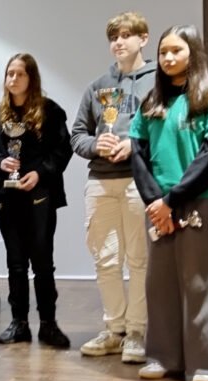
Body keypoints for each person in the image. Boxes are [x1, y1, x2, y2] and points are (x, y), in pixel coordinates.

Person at [131, 25, 208, 381]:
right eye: (163, 52)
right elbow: (138, 154)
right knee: (159, 284)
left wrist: (173, 199)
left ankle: (206, 363)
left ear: (193, 53)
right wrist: (155, 202)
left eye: (177, 50)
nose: (168, 57)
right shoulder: (150, 101)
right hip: (157, 207)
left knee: (200, 281)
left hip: (197, 202)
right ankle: (163, 357)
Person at [71, 11, 156, 363]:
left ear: (143, 38)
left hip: (139, 181)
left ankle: (136, 332)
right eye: (113, 37)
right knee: (105, 261)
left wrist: (134, 145)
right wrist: (96, 145)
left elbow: (164, 131)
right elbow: (77, 134)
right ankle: (114, 329)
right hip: (100, 182)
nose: (118, 42)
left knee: (138, 260)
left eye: (125, 35)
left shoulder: (158, 82)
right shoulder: (98, 86)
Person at [0, 53, 73, 348]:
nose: (13, 79)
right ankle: (18, 323)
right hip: (7, 198)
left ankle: (48, 324)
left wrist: (40, 173)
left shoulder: (50, 111)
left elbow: (63, 151)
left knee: (42, 262)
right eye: (10, 73)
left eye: (20, 74)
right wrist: (1, 162)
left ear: (31, 78)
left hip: (39, 196)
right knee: (15, 263)